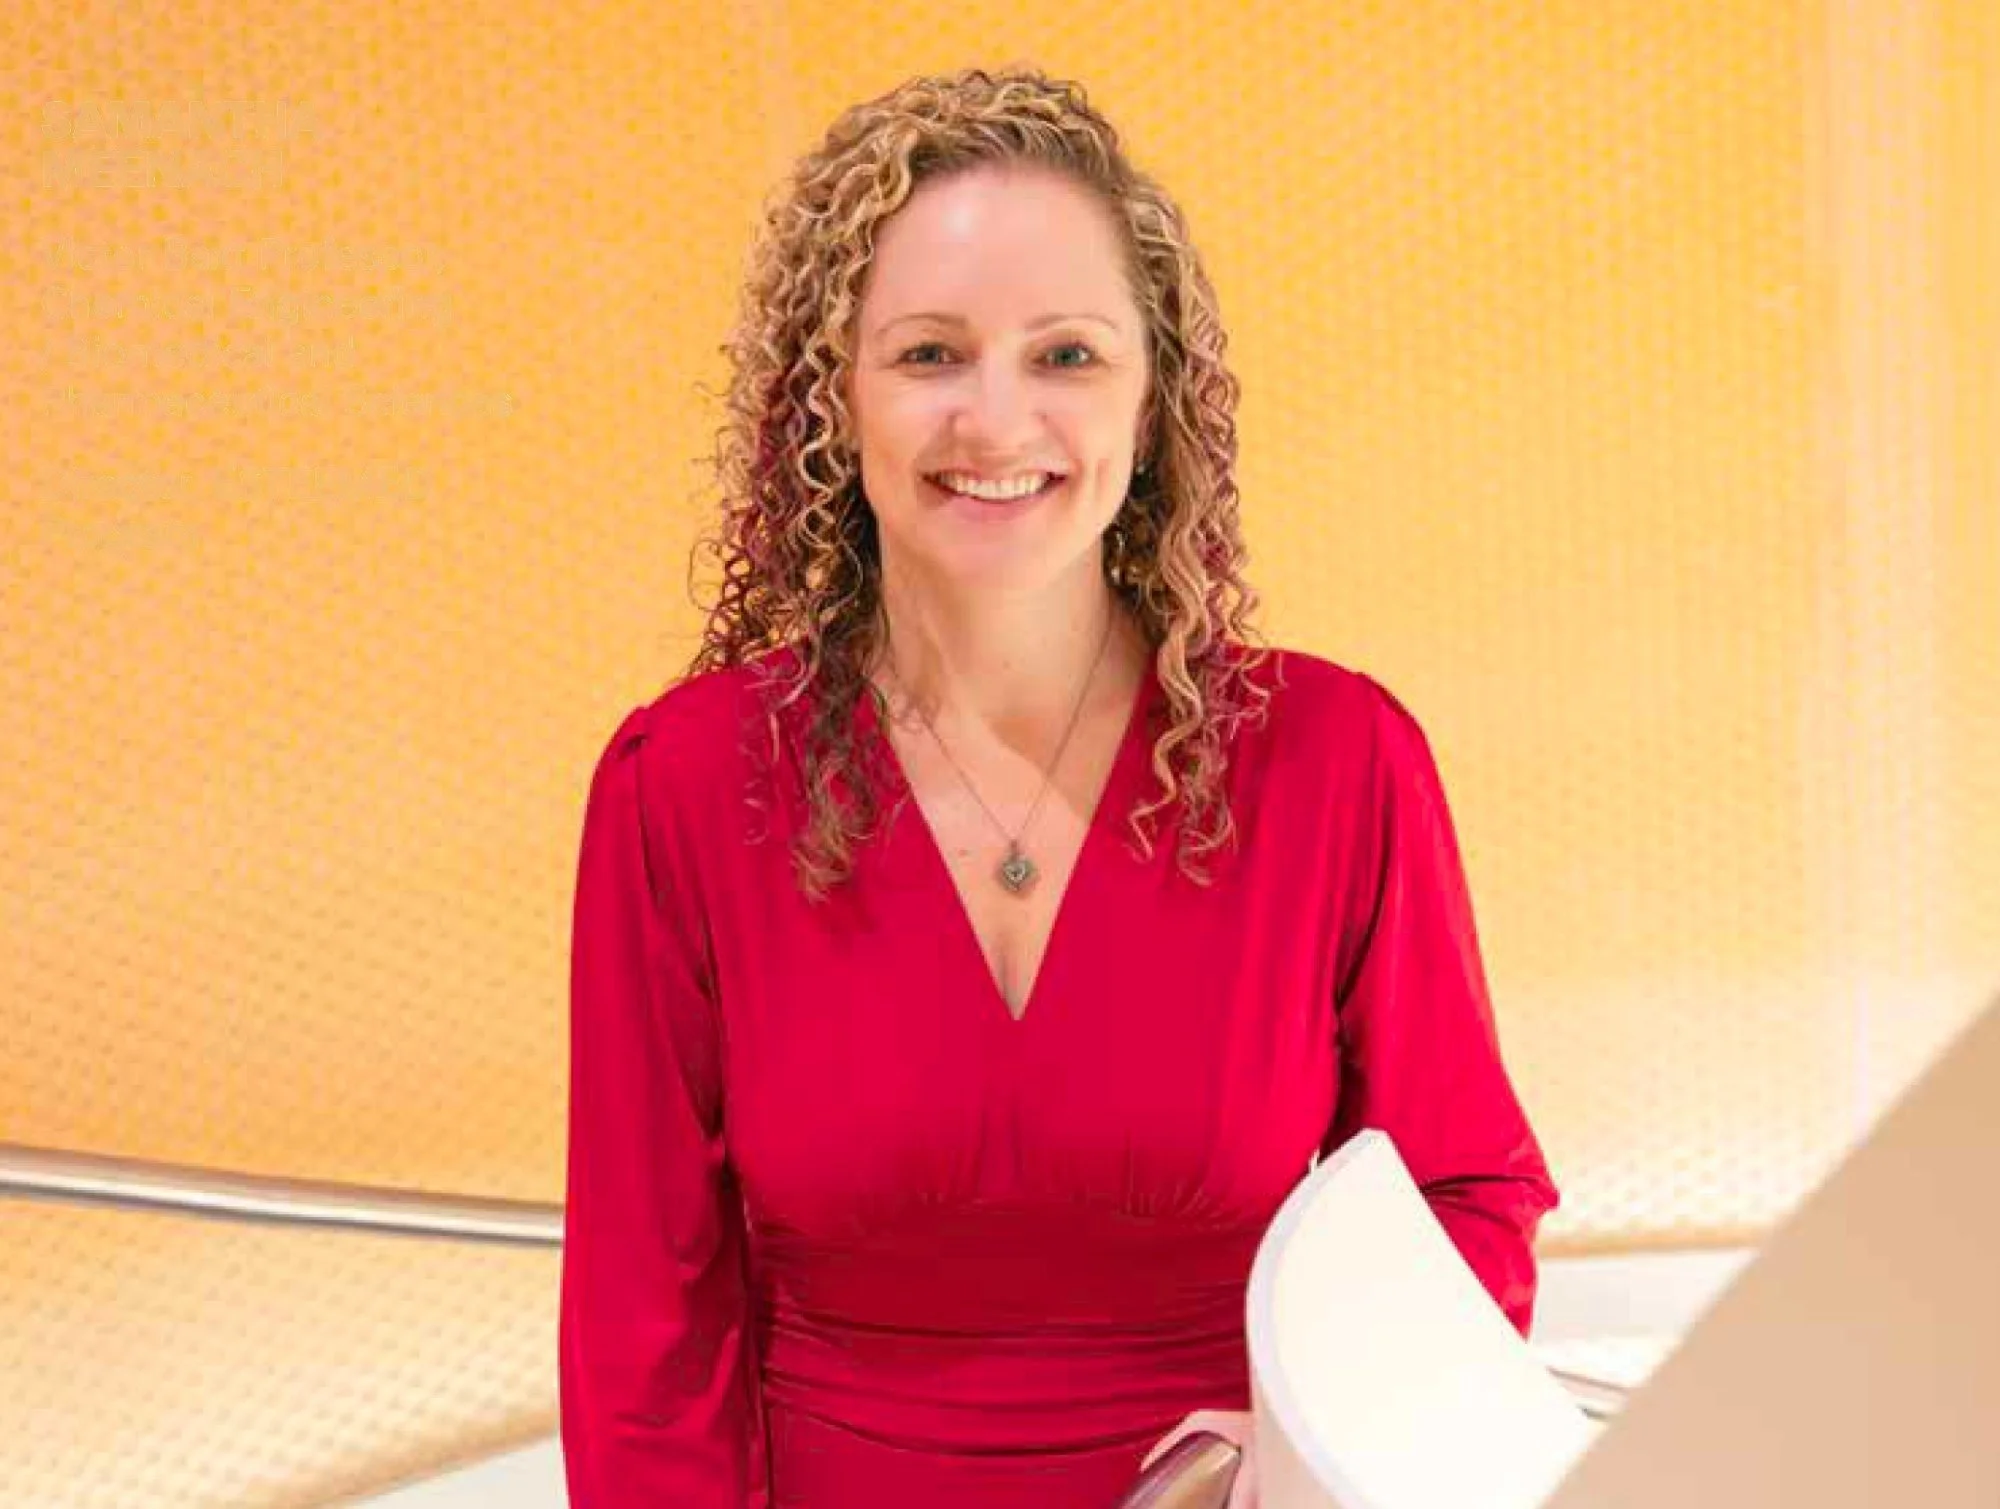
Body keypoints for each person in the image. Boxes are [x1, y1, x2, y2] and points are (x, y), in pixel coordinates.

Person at [557, 63, 1558, 1509]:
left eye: (1068, 355)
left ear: (1154, 403)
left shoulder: (1340, 764)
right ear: (830, 396)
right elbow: (645, 1332)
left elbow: (1471, 1196)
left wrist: (1298, 1450)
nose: (998, 420)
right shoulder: (686, 787)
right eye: (929, 354)